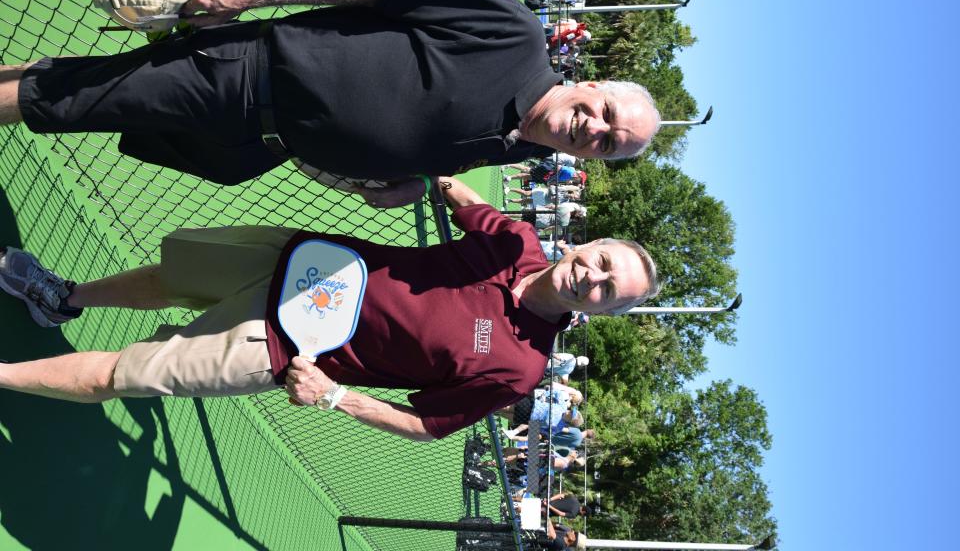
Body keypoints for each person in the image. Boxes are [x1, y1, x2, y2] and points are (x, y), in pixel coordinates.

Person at [0, 178, 659, 441]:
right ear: (588, 245)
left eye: (609, 291)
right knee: (171, 274)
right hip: (303, 261)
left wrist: (335, 397)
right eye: (602, 263)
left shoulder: (520, 368)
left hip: (286, 349)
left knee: (127, 375)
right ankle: (63, 298)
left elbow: (426, 427)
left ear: (604, 315)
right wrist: (421, 161)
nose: (592, 280)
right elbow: (452, 186)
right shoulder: (514, 241)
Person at [0, 0, 660, 208]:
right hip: (244, 77)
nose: (595, 129)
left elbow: (433, 125)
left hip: (255, 148)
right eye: (604, 113)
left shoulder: (527, 148)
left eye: (606, 143)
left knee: (78, 89)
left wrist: (415, 178)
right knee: (60, 102)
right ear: (593, 81)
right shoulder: (513, 31)